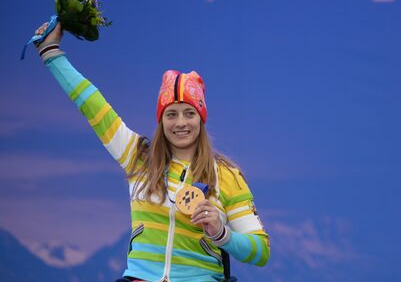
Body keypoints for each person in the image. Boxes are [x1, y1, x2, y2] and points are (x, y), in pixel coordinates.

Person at [33, 22, 270, 282]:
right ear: (161, 120)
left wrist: (221, 233)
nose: (181, 123)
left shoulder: (226, 175)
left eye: (189, 113)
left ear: (201, 119)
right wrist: (51, 52)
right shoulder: (137, 157)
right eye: (171, 114)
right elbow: (92, 105)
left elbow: (260, 252)